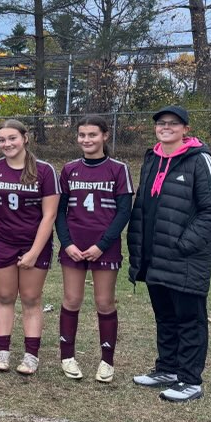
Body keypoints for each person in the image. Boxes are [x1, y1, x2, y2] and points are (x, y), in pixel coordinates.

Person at [129, 105, 211, 402]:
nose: (166, 127)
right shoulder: (152, 158)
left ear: (185, 128)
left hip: (185, 259)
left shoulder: (201, 160)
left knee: (189, 320)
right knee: (165, 316)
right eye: (161, 122)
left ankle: (190, 380)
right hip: (154, 256)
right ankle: (168, 369)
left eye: (173, 123)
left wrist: (184, 243)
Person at [56, 117, 133, 383]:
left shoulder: (118, 169)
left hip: (105, 246)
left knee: (104, 302)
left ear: (105, 136)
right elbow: (59, 212)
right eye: (82, 135)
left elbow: (124, 212)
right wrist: (67, 243)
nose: (86, 140)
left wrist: (101, 245)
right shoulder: (69, 169)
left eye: (92, 135)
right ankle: (67, 356)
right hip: (74, 245)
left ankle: (107, 361)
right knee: (72, 299)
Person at [0, 119, 59, 376]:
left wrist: (34, 252)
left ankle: (31, 355)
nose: (7, 144)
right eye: (2, 140)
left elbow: (49, 215)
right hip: (0, 240)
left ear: (25, 138)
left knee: (31, 298)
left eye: (12, 138)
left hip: (33, 242)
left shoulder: (45, 170)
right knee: (4, 297)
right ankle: (2, 351)